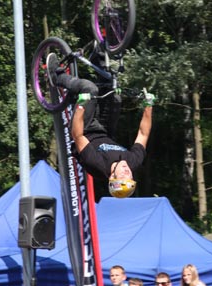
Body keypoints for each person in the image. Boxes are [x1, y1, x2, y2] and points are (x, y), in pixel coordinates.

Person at [47, 53, 154, 197]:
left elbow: (77, 136)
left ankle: (56, 76)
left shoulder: (98, 165)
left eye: (122, 176)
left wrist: (81, 106)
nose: (127, 172)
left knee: (89, 89)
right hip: (104, 129)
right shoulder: (132, 162)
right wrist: (148, 105)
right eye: (129, 176)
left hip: (84, 129)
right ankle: (98, 58)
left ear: (112, 177)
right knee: (114, 94)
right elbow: (143, 134)